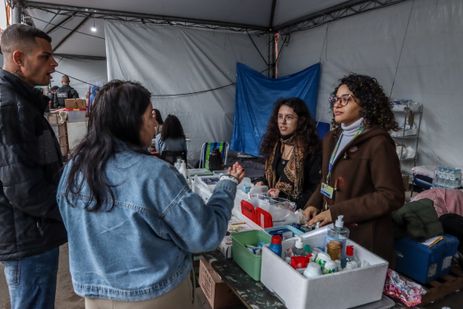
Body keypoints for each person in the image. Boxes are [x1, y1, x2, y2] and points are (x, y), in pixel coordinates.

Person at [57, 80, 245, 308]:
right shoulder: (154, 173)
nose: (155, 124)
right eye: (149, 116)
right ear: (129, 122)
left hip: (95, 296)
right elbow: (204, 235)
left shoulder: (74, 167)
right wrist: (227, 184)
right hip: (153, 296)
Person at [304, 74, 405, 266]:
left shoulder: (378, 143)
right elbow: (327, 179)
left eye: (346, 99)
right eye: (335, 99)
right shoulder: (331, 138)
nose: (337, 104)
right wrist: (314, 203)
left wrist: (337, 212)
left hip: (364, 239)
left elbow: (391, 195)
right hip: (334, 234)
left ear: (365, 104)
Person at [0, 24, 67, 309]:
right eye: (45, 57)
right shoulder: (10, 107)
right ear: (19, 58)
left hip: (31, 234)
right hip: (27, 238)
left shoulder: (22, 103)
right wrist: (71, 208)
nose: (54, 64)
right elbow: (23, 189)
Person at [257, 97, 322, 210]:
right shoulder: (275, 144)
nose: (283, 122)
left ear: (300, 121)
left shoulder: (311, 148)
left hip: (297, 210)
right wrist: (262, 183)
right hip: (272, 206)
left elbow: (314, 188)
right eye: (280, 116)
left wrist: (286, 200)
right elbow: (270, 177)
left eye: (289, 117)